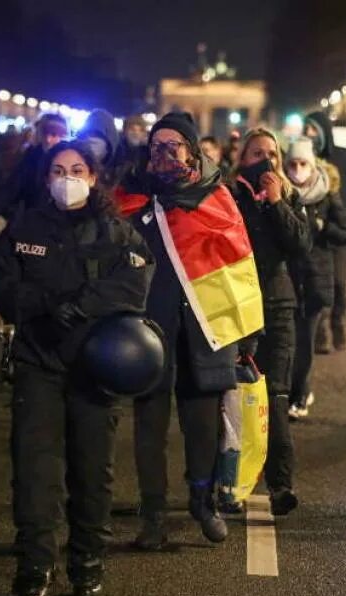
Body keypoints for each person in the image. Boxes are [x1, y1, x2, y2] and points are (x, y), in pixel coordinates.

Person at [0, 140, 154, 596]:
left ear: (94, 177)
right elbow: (2, 281)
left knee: (91, 472)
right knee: (35, 471)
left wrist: (80, 306)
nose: (67, 178)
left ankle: (86, 563)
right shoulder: (26, 226)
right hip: (39, 363)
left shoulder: (116, 231)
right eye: (58, 170)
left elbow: (134, 284)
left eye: (77, 169)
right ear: (45, 178)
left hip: (96, 369)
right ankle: (34, 567)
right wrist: (42, 306)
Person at [118, 112, 263, 548]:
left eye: (173, 145)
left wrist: (245, 337)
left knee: (202, 424)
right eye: (156, 145)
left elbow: (238, 268)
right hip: (149, 330)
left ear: (191, 151)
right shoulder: (132, 199)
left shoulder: (215, 198)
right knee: (150, 424)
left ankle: (203, 501)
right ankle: (154, 515)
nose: (163, 153)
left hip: (206, 329)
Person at [229, 127, 308, 515]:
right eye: (256, 153)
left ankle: (280, 485)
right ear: (242, 158)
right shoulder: (228, 196)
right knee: (237, 396)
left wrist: (276, 202)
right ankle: (232, 482)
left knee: (276, 394)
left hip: (278, 304)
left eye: (272, 153)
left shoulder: (289, 196)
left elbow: (300, 245)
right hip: (240, 305)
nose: (266, 160)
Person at [286, 137, 346, 420]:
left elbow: (345, 232)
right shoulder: (282, 194)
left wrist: (323, 227)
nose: (298, 170)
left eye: (303, 164)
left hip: (315, 278)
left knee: (304, 342)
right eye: (293, 164)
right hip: (288, 279)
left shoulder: (326, 195)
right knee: (287, 343)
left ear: (312, 166)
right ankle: (296, 390)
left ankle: (300, 394)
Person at [304, 111, 346, 352]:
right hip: (315, 234)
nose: (309, 135)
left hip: (340, 232)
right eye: (306, 130)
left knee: (340, 283)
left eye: (313, 130)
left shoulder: (345, 157)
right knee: (320, 286)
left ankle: (338, 321)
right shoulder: (303, 158)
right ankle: (321, 334)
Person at [3, 113, 68, 216]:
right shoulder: (32, 154)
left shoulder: (67, 160)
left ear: (63, 135)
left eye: (54, 135)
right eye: (45, 134)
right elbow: (14, 185)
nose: (48, 139)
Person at [77, 109, 121, 188]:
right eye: (85, 134)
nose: (89, 138)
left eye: (96, 134)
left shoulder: (122, 176)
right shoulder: (73, 169)